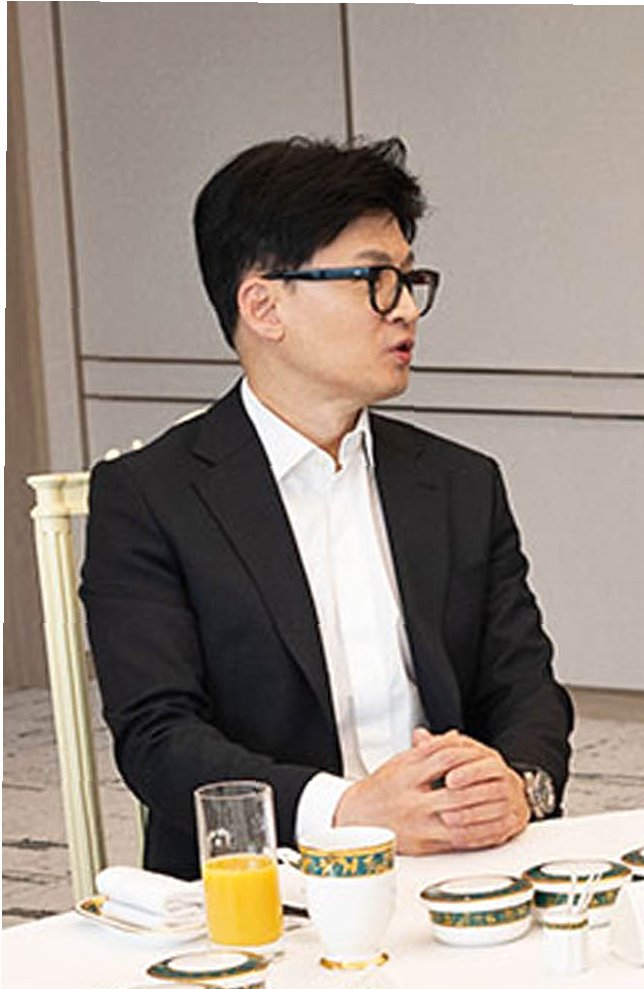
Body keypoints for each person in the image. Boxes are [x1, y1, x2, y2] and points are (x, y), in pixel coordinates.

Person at [81, 137, 573, 878]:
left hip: (458, 873)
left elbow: (525, 686)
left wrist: (517, 785)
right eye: (374, 280)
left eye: (410, 280)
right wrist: (348, 813)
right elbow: (160, 739)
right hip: (263, 889)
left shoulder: (461, 482)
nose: (404, 309)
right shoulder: (149, 498)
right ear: (264, 306)